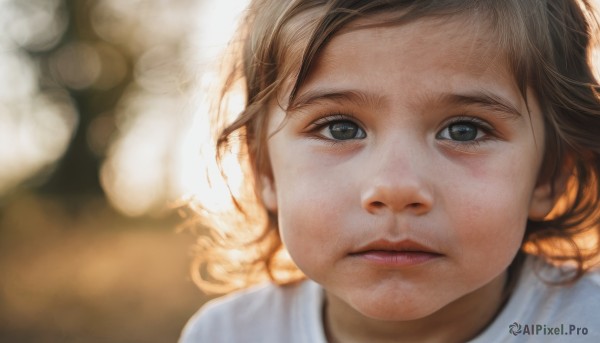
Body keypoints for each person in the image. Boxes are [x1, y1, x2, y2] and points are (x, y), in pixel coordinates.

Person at [180, 0, 600, 342]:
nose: (396, 187)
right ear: (264, 172)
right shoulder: (229, 334)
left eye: (465, 130)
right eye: (340, 128)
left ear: (550, 175)